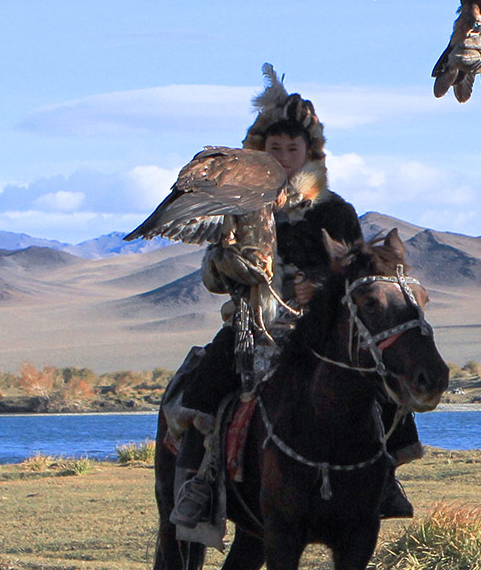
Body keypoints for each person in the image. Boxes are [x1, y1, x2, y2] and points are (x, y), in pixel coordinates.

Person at [165, 65, 419, 535]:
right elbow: (211, 277)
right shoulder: (239, 207)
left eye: (292, 148)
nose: (283, 157)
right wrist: (238, 266)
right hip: (256, 324)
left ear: (309, 153)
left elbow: (359, 274)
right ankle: (198, 488)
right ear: (259, 152)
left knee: (382, 382)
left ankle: (383, 478)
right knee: (206, 387)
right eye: (274, 149)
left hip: (325, 331)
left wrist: (320, 289)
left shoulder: (336, 211)